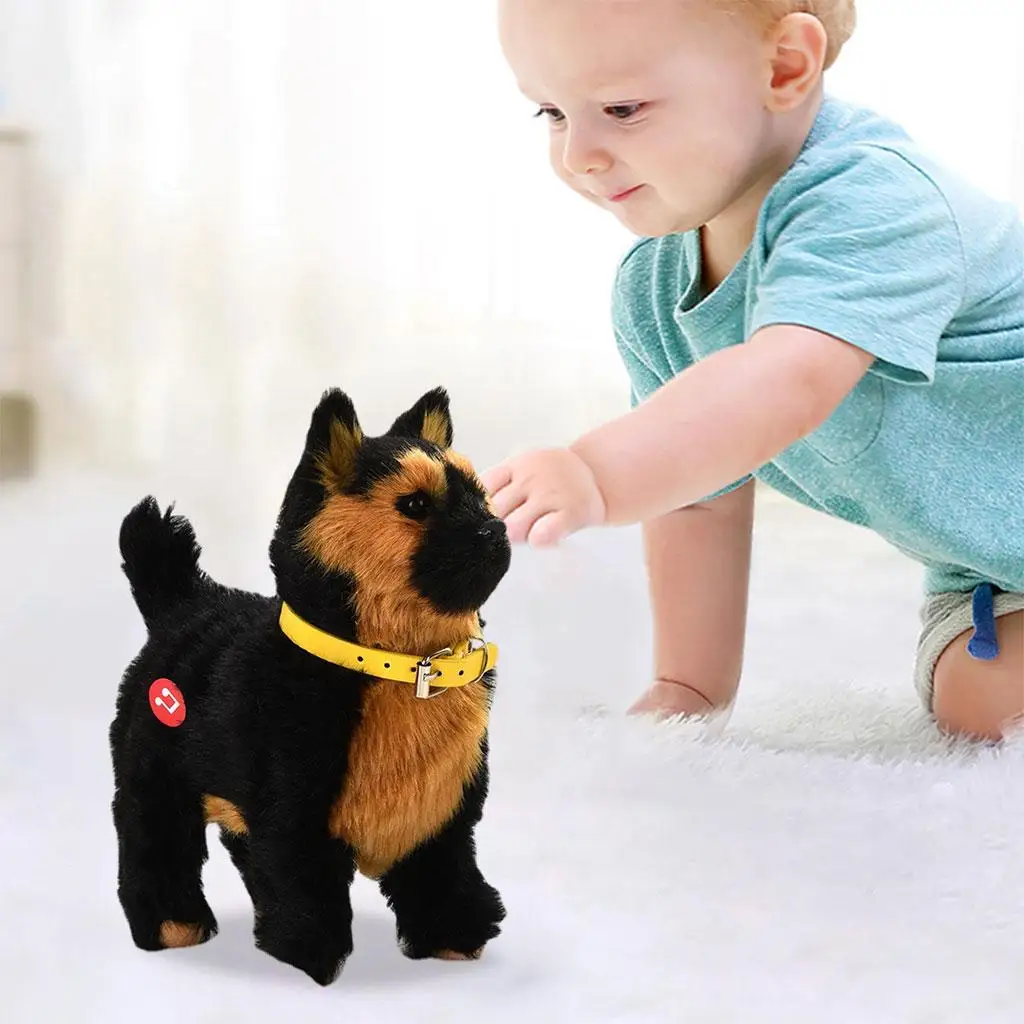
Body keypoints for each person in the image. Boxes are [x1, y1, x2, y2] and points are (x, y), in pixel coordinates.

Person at [483, 0, 1024, 741]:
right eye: (551, 112)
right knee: (981, 705)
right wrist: (689, 687)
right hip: (992, 573)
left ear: (783, 68)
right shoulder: (654, 292)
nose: (579, 155)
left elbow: (786, 381)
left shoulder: (874, 201)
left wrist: (595, 473)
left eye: (622, 109)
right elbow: (697, 493)